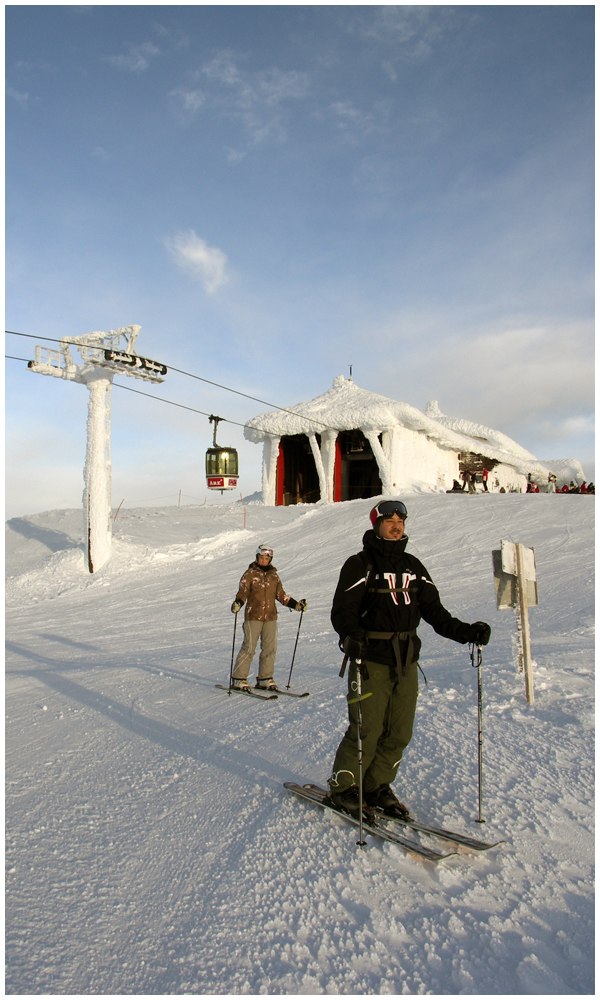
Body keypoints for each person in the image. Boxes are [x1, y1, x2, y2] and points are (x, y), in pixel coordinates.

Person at [327, 500, 491, 820]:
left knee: (400, 732)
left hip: (406, 662)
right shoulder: (360, 564)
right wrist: (351, 636)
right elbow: (342, 611)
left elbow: (435, 613)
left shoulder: (414, 567)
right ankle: (344, 787)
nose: (396, 524)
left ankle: (375, 785)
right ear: (376, 524)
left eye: (401, 519)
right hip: (370, 659)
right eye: (389, 520)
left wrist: (467, 632)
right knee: (367, 729)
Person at [230, 545, 306, 692]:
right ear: (257, 557)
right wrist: (238, 603)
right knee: (249, 647)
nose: (264, 560)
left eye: (267, 558)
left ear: (270, 559)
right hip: (253, 615)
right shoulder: (250, 574)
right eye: (262, 557)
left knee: (270, 648)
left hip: (270, 617)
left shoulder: (274, 576)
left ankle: (264, 678)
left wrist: (296, 605)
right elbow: (243, 592)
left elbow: (281, 595)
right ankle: (238, 678)